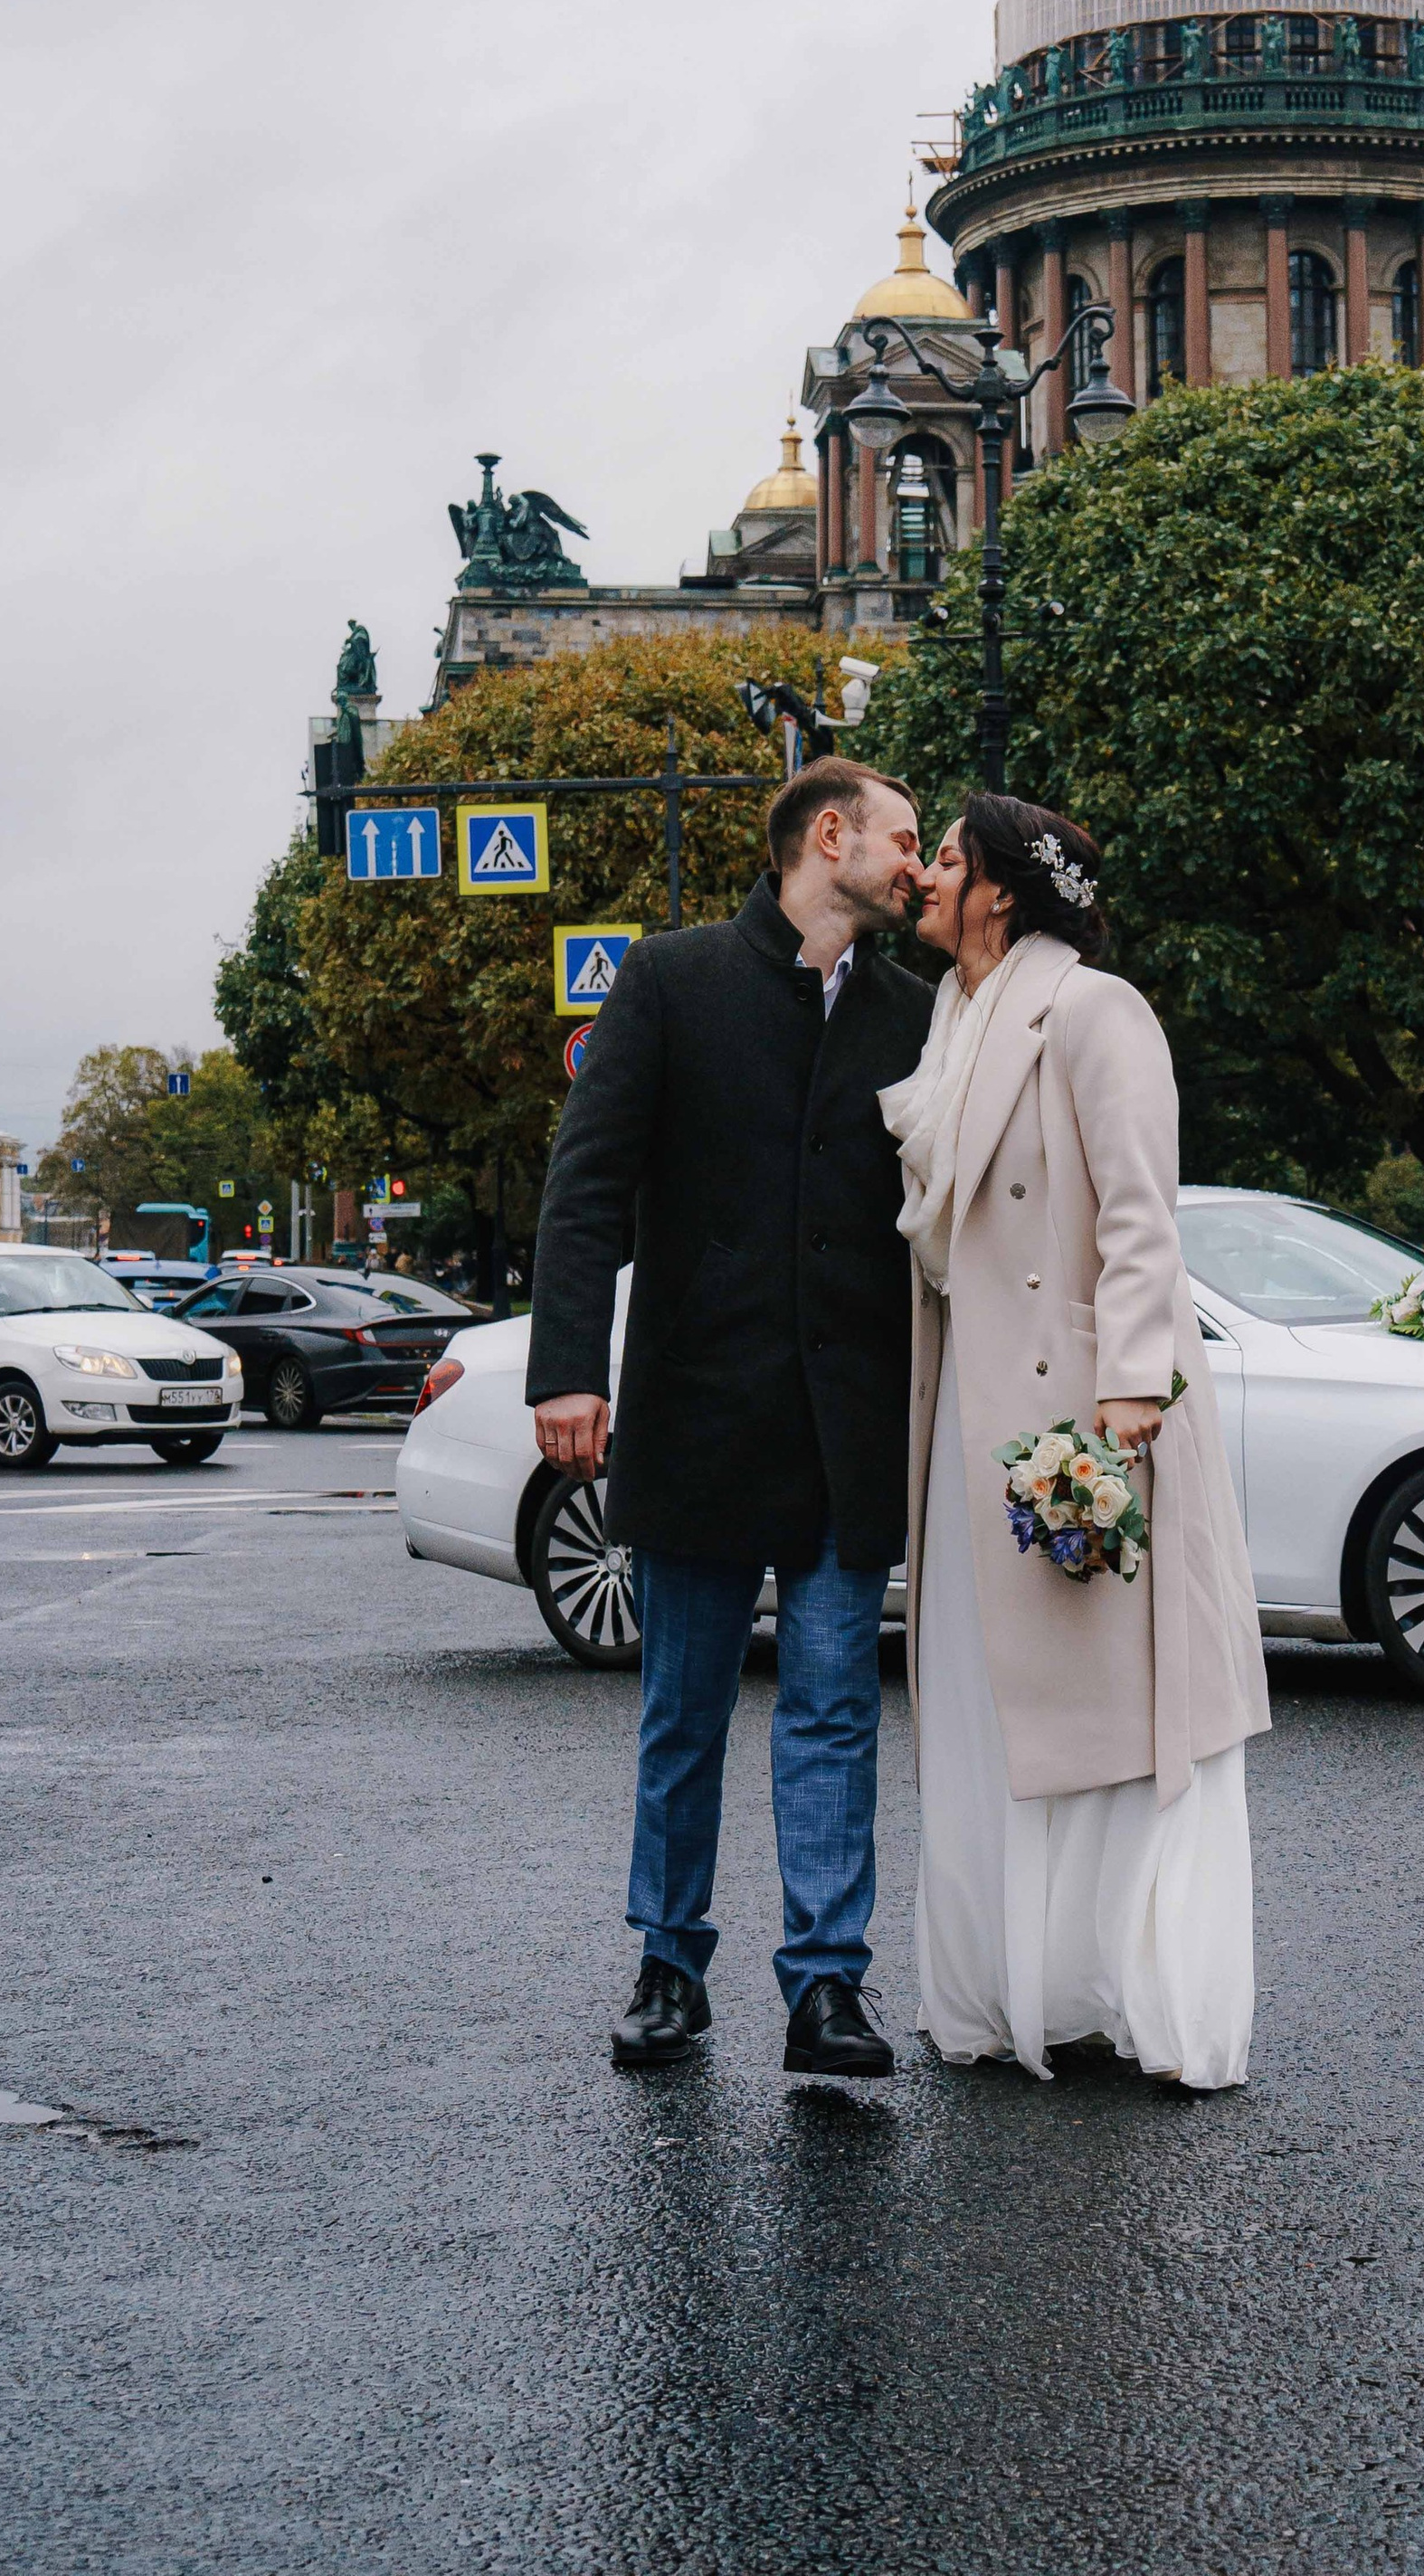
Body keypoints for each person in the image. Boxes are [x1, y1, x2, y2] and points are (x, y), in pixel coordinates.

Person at [527, 757, 932, 2078]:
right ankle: (668, 1965)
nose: (917, 864)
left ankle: (827, 1986)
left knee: (834, 1710)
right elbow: (587, 1185)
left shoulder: (918, 1013)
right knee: (684, 1710)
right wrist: (568, 1370)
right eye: (904, 839)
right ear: (831, 836)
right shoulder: (672, 978)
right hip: (700, 1411)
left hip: (846, 1426)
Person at [882, 794, 1269, 2088]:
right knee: (985, 1708)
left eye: (947, 859)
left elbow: (1140, 1212)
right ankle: (1017, 1991)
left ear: (1000, 891)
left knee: (1117, 1724)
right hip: (970, 1411)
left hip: (1085, 1415)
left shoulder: (1095, 1011)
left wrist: (1132, 1393)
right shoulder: (949, 1020)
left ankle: (1143, 1994)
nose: (926, 876)